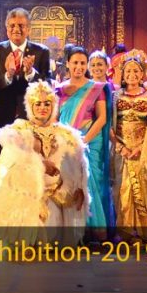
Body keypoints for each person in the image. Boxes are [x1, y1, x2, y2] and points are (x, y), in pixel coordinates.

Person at [0, 81, 87, 246]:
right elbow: (10, 163)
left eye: (47, 104)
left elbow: (77, 166)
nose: (43, 108)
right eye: (38, 104)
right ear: (30, 106)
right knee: (26, 245)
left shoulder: (66, 134)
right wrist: (41, 164)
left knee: (53, 246)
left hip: (56, 199)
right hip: (28, 199)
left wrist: (79, 187)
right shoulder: (19, 131)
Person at [56, 45, 112, 240]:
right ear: (67, 64)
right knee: (69, 183)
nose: (79, 67)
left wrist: (83, 141)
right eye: (75, 63)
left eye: (82, 63)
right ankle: (74, 230)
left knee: (90, 182)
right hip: (66, 143)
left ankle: (94, 230)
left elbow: (102, 118)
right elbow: (56, 118)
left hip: (90, 141)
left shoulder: (97, 88)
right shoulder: (59, 89)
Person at [0, 7, 50, 163]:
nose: (16, 29)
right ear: (7, 29)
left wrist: (31, 73)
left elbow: (48, 85)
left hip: (31, 121)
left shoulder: (41, 52)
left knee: (29, 167)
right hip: (1, 121)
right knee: (3, 168)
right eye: (12, 25)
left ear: (29, 29)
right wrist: (7, 75)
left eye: (21, 25)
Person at [111, 54, 147, 241]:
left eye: (136, 71)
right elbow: (109, 126)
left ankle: (145, 232)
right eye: (128, 71)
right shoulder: (115, 96)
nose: (132, 74)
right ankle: (127, 233)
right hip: (122, 151)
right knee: (123, 189)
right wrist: (120, 147)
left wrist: (141, 147)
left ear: (142, 74)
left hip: (143, 150)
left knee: (145, 189)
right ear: (123, 74)